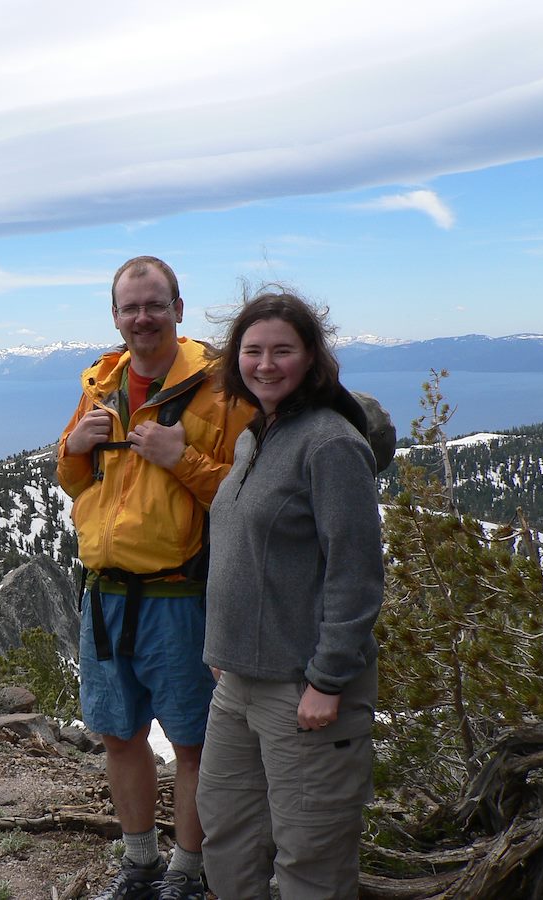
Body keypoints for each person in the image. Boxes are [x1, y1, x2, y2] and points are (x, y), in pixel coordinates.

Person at [57, 256, 254, 899]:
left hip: (181, 593)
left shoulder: (221, 389)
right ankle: (139, 861)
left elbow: (251, 492)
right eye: (129, 307)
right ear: (115, 316)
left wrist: (185, 459)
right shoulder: (100, 384)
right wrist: (73, 450)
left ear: (177, 306)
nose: (141, 318)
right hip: (107, 593)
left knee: (193, 743)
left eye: (153, 304)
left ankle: (188, 871)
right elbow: (75, 481)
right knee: (119, 735)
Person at [197, 289, 384, 899]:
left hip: (303, 691)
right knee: (226, 836)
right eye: (253, 351)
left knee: (311, 857)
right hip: (239, 684)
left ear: (311, 358)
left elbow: (355, 573)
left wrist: (328, 681)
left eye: (283, 350)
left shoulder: (330, 444)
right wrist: (224, 648)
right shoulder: (258, 437)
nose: (266, 364)